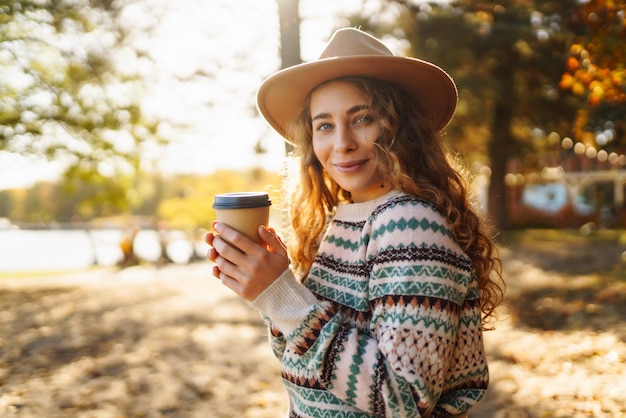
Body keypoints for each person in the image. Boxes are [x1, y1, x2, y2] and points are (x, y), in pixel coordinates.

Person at [206, 27, 505, 418]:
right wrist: (271, 290)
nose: (342, 142)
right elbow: (304, 363)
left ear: (402, 127)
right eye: (325, 125)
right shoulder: (343, 219)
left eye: (362, 118)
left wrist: (285, 297)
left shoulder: (409, 226)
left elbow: (403, 401)